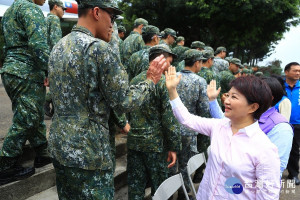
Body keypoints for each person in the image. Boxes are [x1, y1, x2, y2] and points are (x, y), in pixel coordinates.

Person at [47, 0, 167, 199]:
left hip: (60, 146)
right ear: (96, 12)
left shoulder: (59, 46)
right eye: (111, 17)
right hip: (89, 151)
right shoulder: (99, 49)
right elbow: (124, 102)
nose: (112, 24)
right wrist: (150, 80)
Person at [165, 68, 281, 199]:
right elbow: (187, 119)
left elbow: (267, 196)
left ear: (252, 107)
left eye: (234, 97)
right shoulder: (219, 126)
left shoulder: (265, 149)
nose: (226, 101)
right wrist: (172, 91)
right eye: (228, 95)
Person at [0, 0, 51, 185]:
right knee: (27, 118)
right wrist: (50, 70)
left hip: (11, 70)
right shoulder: (31, 9)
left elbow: (7, 44)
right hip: (26, 71)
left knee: (32, 114)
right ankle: (5, 165)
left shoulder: (10, 11)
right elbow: (38, 46)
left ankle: (42, 153)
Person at [208, 77, 293, 178]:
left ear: (270, 98)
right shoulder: (249, 114)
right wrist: (212, 100)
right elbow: (222, 121)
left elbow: (274, 170)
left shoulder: (281, 128)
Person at [127, 44, 181, 199]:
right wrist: (174, 146)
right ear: (161, 60)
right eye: (169, 62)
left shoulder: (135, 80)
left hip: (134, 142)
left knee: (135, 187)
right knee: (160, 189)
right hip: (155, 145)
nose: (170, 66)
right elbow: (169, 119)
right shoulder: (163, 83)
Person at [174, 49, 210, 200]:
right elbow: (204, 109)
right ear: (197, 63)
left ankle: (168, 193)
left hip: (171, 129)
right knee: (186, 165)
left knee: (169, 164)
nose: (201, 65)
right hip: (189, 130)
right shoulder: (200, 81)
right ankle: (184, 193)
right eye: (201, 62)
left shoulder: (172, 77)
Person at [44, 0, 67, 118]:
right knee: (59, 85)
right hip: (53, 60)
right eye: (63, 9)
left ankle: (49, 103)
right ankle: (48, 101)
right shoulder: (54, 20)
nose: (64, 11)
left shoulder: (46, 19)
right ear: (55, 7)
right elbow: (56, 44)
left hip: (46, 58)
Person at [284, 62, 300, 185]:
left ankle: (293, 174)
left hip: (297, 123)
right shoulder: (279, 86)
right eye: (295, 70)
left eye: (299, 71)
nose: (298, 73)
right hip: (281, 123)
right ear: (286, 72)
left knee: (294, 149)